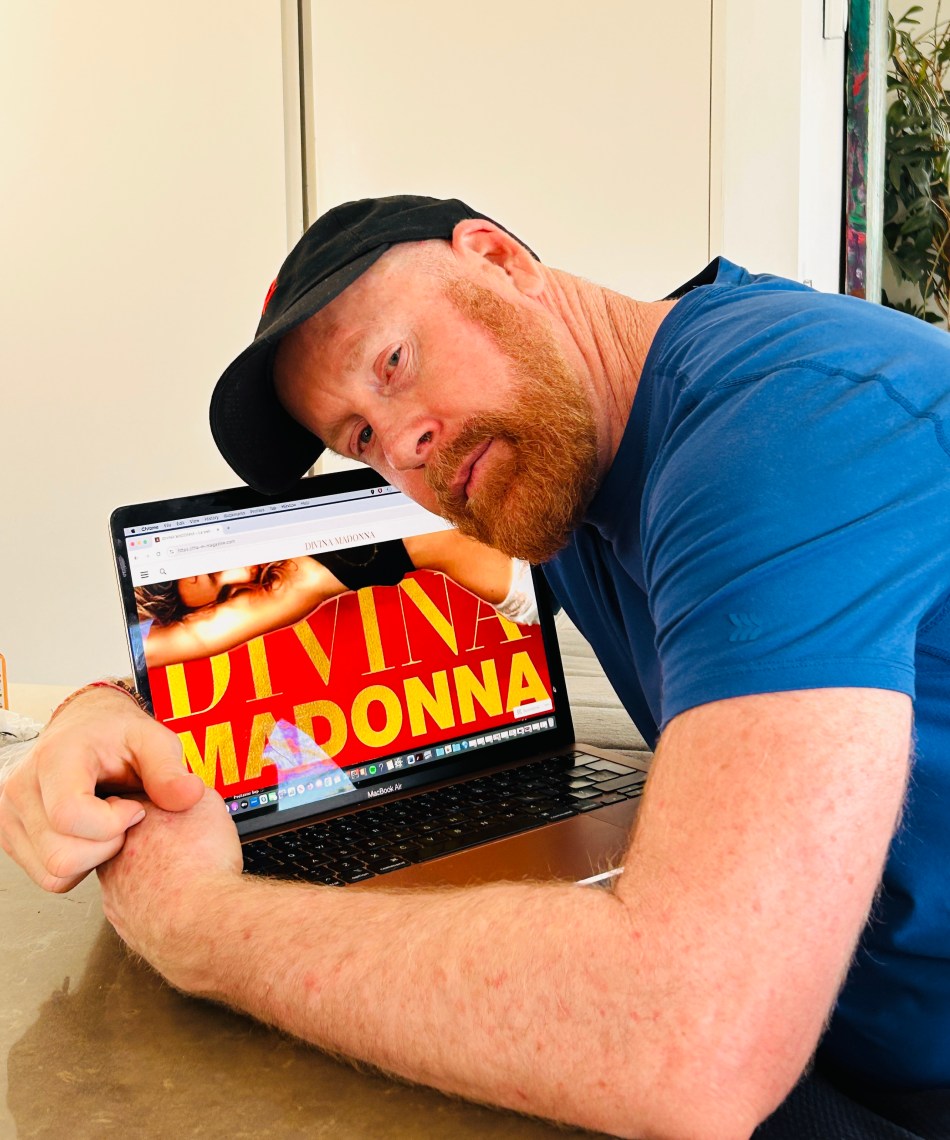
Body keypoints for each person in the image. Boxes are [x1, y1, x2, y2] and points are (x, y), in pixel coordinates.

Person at [1, 195, 948, 1139]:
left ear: (500, 260)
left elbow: (687, 1044)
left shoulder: (788, 426)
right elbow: (302, 626)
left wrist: (200, 923)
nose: (402, 448)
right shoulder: (568, 452)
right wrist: (101, 710)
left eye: (393, 362)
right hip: (836, 1025)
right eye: (359, 438)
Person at [135, 531, 533, 667]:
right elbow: (152, 647)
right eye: (225, 594)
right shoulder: (293, 581)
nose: (241, 577)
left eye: (213, 568)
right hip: (519, 574)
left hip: (518, 511)